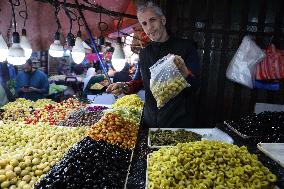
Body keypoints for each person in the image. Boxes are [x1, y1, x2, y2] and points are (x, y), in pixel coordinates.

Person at [106, 1, 201, 128]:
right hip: (150, 121)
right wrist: (124, 86)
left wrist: (184, 73)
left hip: (178, 121)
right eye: (144, 23)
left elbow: (196, 86)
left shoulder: (186, 47)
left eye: (152, 20)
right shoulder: (144, 53)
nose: (149, 27)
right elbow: (140, 81)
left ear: (163, 20)